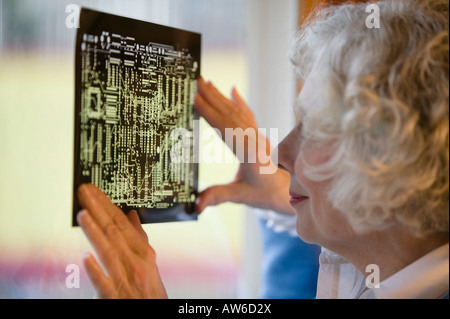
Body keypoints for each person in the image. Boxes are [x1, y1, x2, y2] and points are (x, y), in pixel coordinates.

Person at [75, 0, 449, 298]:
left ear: (399, 162)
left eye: (314, 129)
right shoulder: (374, 264)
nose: (279, 153)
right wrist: (285, 203)